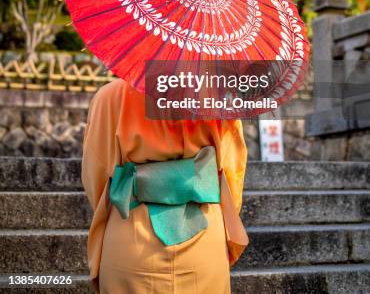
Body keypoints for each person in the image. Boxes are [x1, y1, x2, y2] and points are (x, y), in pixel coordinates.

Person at [82, 77, 249, 294]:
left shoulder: (111, 96)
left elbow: (96, 175)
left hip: (130, 232)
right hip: (204, 231)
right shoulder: (219, 97)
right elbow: (231, 174)